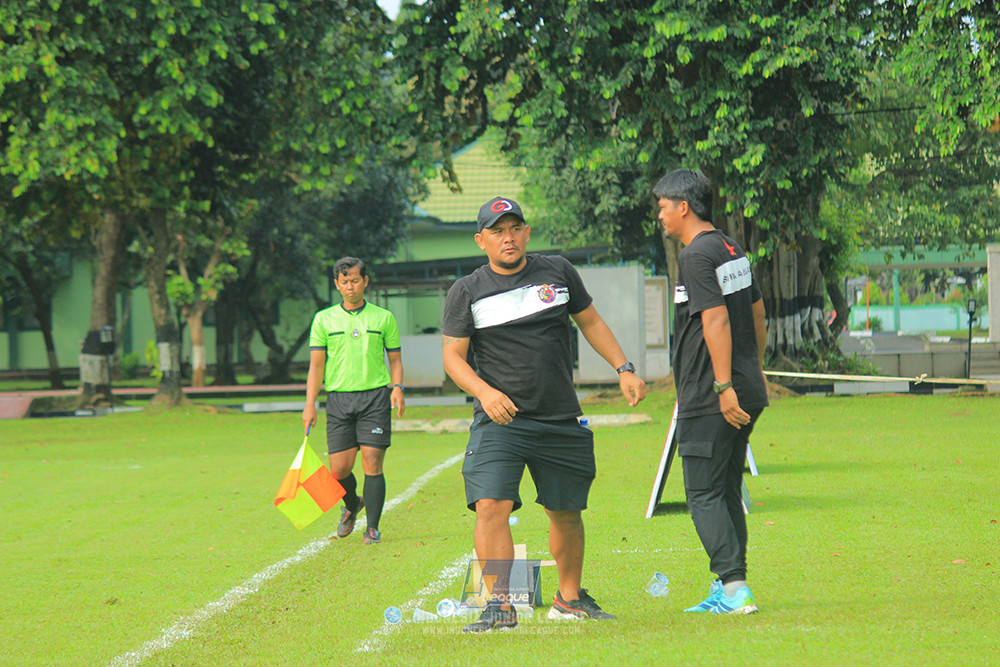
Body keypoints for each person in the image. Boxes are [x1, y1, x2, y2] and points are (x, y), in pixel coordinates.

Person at [441, 196, 647, 633]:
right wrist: (485, 392)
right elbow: (453, 357)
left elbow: (590, 322)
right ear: (481, 240)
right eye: (498, 231)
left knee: (565, 510)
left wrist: (623, 368)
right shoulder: (467, 290)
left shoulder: (557, 271)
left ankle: (569, 599)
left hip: (559, 416)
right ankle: (500, 605)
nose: (508, 237)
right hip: (501, 420)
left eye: (515, 228)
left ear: (527, 232)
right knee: (490, 505)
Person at [653, 169, 769, 614]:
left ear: (683, 207)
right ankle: (731, 586)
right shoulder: (730, 247)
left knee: (703, 494)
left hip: (712, 392)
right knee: (724, 488)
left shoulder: (696, 255)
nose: (660, 216)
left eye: (663, 207)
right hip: (744, 385)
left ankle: (734, 590)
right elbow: (758, 314)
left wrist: (723, 385)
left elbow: (715, 319)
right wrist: (751, 372)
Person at [302, 256, 405, 545]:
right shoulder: (323, 319)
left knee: (372, 462)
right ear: (337, 284)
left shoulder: (383, 318)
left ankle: (372, 528)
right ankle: (352, 504)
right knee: (339, 470)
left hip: (375, 398)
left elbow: (395, 360)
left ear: (365, 281)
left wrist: (397, 387)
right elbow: (316, 367)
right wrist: (310, 404)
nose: (351, 286)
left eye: (356, 280)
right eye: (345, 281)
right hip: (338, 400)